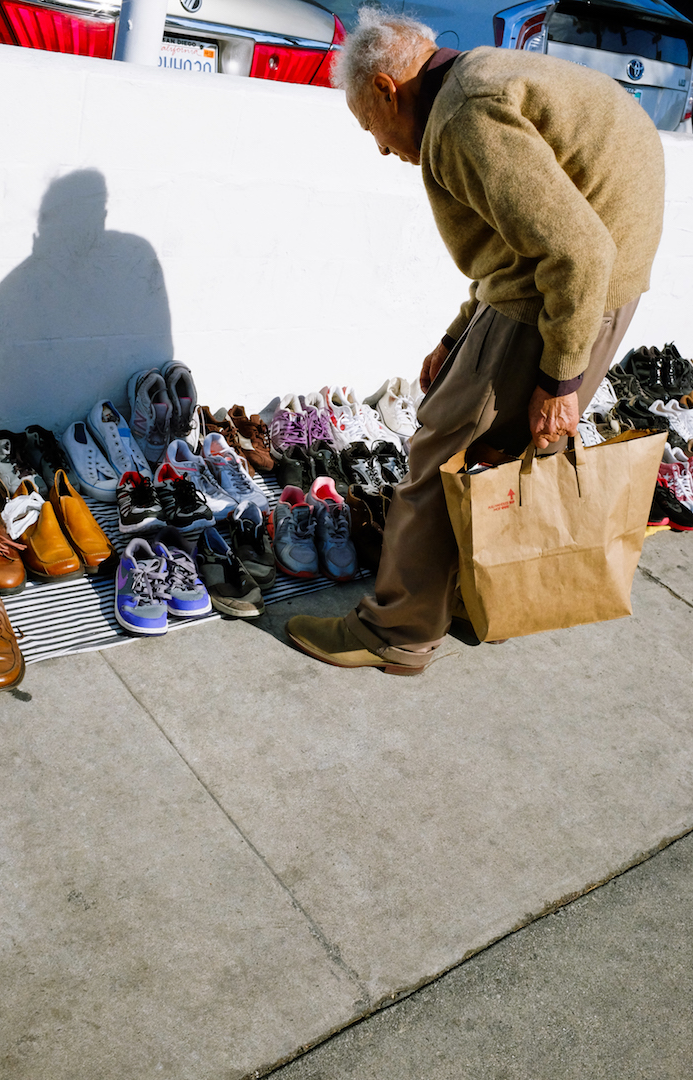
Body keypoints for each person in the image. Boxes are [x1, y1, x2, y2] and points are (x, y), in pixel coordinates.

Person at [285, 7, 665, 675]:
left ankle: (396, 631)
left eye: (369, 126)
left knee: (440, 449)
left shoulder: (466, 115)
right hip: (598, 283)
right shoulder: (480, 76)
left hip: (575, 290)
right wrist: (459, 333)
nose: (378, 146)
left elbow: (574, 252)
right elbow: (516, 245)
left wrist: (560, 381)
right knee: (492, 443)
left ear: (385, 89)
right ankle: (461, 592)